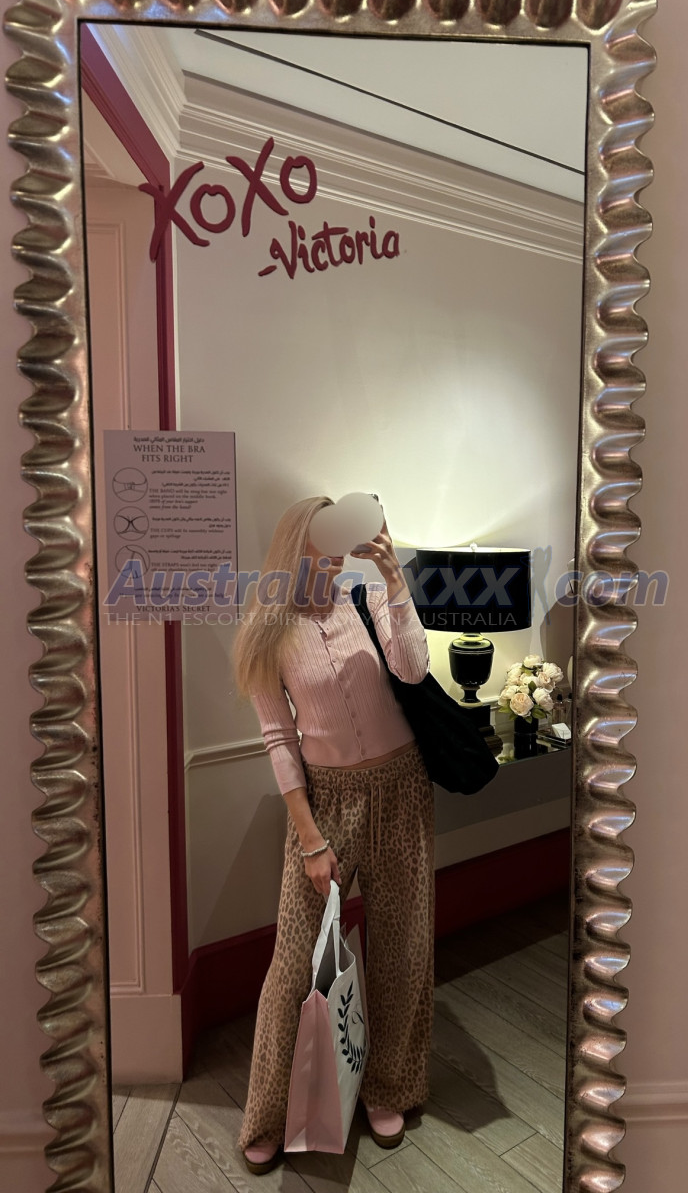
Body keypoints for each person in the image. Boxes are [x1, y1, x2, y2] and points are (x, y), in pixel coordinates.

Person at [233, 495, 437, 1175]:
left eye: (335, 554)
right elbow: (278, 738)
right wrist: (310, 837)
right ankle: (266, 1114)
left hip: (401, 790)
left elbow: (413, 668)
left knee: (402, 947)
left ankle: (389, 1088)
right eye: (315, 554)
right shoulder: (269, 628)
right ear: (293, 551)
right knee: (293, 963)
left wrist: (395, 579)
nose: (327, 566)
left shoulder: (367, 601)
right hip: (326, 805)